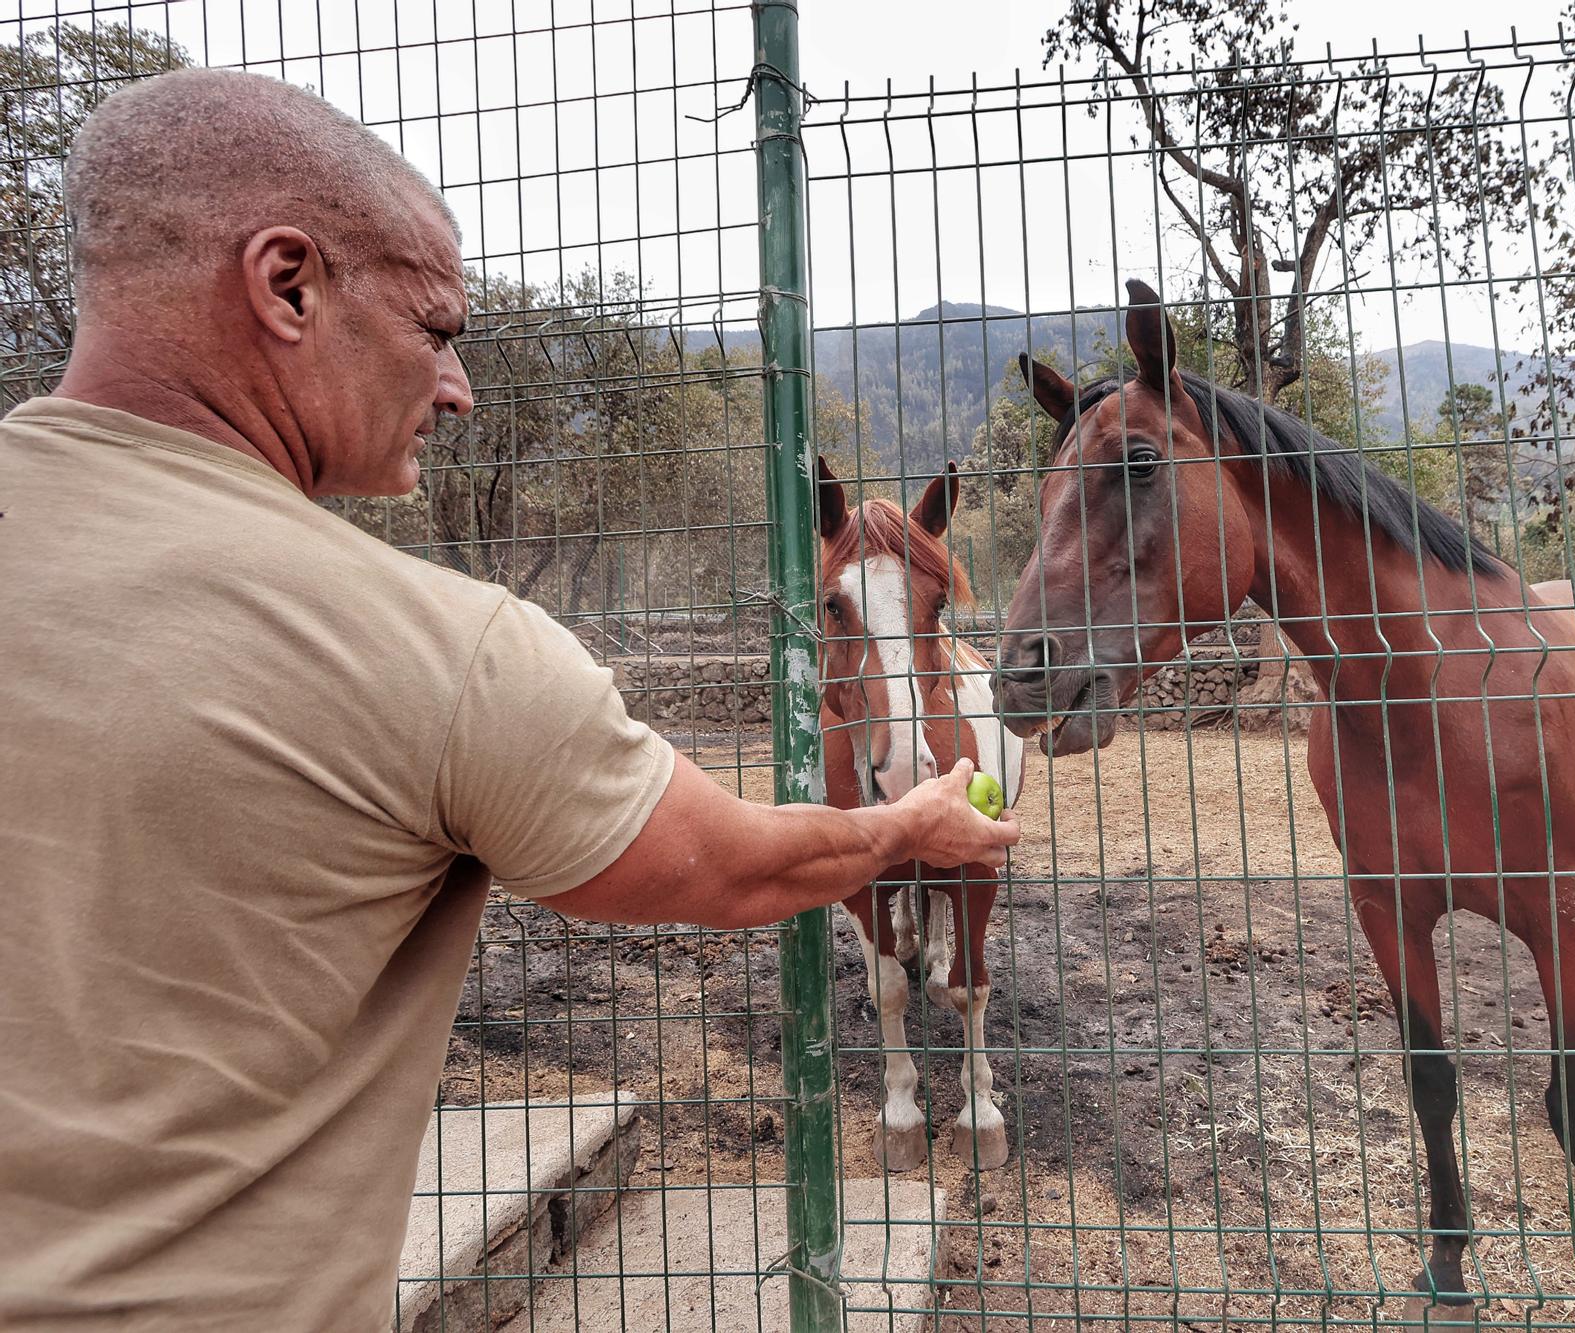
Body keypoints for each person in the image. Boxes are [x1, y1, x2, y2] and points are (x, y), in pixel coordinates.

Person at [0, 68, 1019, 1329]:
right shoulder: (436, 652)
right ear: (286, 284)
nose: (457, 387)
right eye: (435, 331)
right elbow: (733, 871)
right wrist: (903, 828)